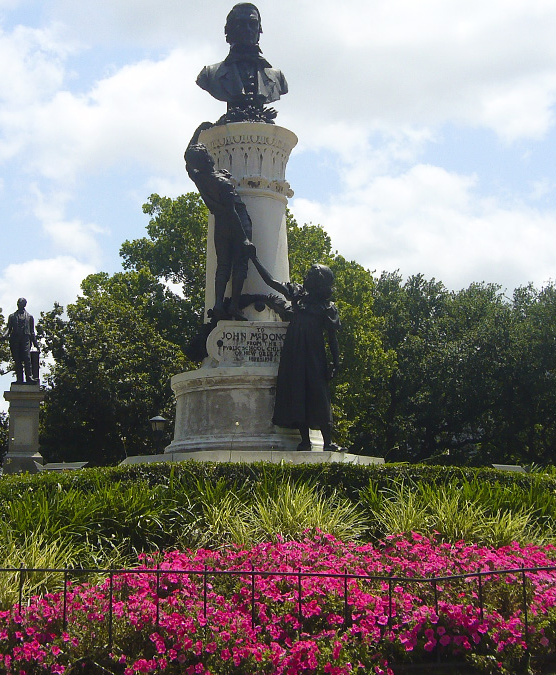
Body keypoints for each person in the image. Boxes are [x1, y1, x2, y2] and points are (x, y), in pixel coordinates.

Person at [250, 251, 343, 451]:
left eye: (310, 274)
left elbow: (332, 337)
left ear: (319, 282)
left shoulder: (327, 307)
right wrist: (255, 258)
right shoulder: (297, 294)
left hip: (315, 354)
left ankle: (328, 442)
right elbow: (271, 281)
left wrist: (336, 362)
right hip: (294, 351)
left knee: (319, 394)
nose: (305, 276)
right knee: (297, 392)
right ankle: (305, 441)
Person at [186, 122, 253, 321]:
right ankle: (233, 305)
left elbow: (187, 160)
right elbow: (232, 212)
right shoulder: (222, 183)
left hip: (220, 225)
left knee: (223, 266)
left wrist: (198, 131)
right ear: (208, 158)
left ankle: (217, 305)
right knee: (240, 265)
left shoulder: (200, 178)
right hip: (237, 220)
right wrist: (244, 240)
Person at [196, 3, 288, 122]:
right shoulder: (210, 74)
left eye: (253, 24)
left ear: (259, 29)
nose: (248, 29)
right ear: (229, 30)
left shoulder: (277, 77)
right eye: (241, 24)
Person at [4, 297, 37, 383]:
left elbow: (32, 332)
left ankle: (29, 377)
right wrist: (4, 335)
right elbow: (9, 328)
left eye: (21, 303)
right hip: (15, 339)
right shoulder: (12, 316)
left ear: (24, 305)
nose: (19, 304)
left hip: (25, 339)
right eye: (18, 303)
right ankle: (19, 379)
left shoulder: (30, 317)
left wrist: (36, 344)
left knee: (27, 358)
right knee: (17, 359)